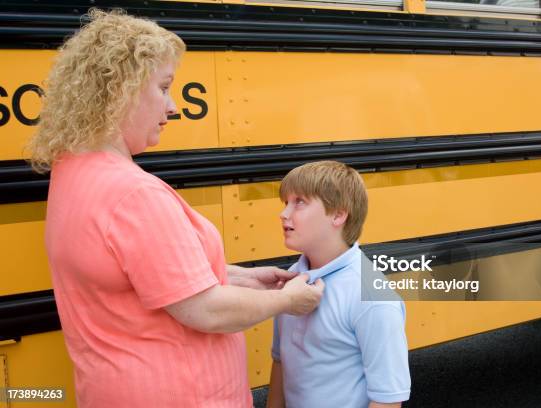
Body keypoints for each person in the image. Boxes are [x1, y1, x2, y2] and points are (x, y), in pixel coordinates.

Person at [29, 9, 324, 408]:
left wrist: (240, 277)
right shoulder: (133, 195)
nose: (172, 107)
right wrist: (287, 301)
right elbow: (205, 310)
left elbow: (145, 279)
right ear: (123, 90)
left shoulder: (73, 173)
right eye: (163, 88)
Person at [267, 161, 411, 408]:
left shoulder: (372, 296)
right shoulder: (293, 277)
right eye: (285, 203)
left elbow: (387, 399)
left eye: (299, 202)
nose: (284, 213)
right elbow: (281, 362)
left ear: (338, 215)